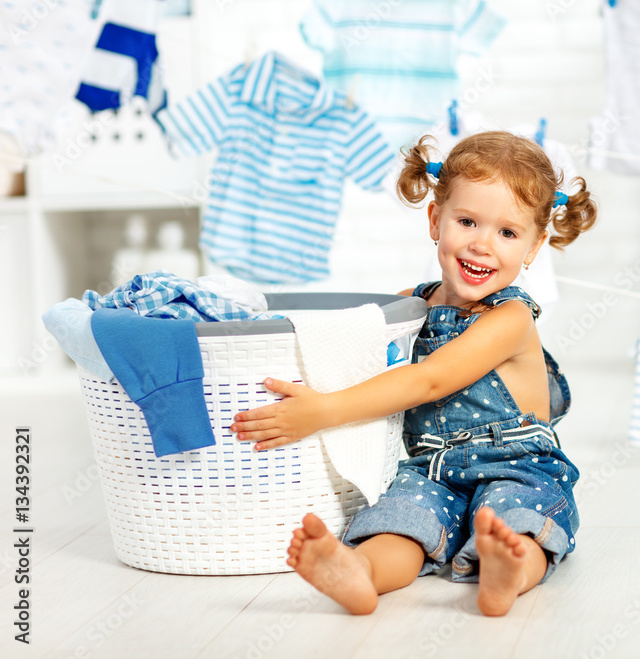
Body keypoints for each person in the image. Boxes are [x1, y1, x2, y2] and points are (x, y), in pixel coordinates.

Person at [230, 130, 598, 616]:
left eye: (507, 233)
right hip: (432, 467)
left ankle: (509, 571)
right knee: (401, 521)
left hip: (518, 463)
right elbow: (354, 346)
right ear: (435, 220)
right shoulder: (411, 304)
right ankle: (360, 573)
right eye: (467, 221)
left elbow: (429, 381)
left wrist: (326, 412)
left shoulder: (510, 318)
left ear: (533, 248)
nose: (482, 245)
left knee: (515, 520)